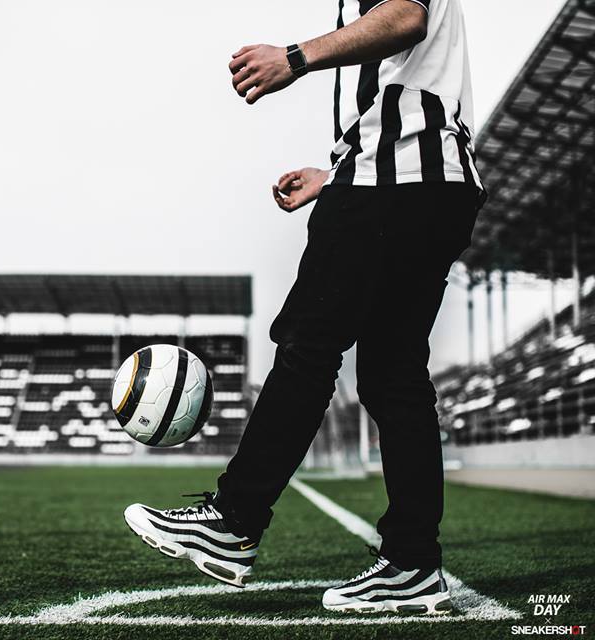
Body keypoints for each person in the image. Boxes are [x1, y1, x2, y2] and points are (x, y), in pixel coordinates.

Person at [123, 0, 484, 615]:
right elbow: (404, 75)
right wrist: (338, 169)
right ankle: (413, 564)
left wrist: (294, 58)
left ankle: (233, 522)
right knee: (393, 375)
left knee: (308, 346)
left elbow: (405, 18)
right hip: (426, 181)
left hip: (396, 180)